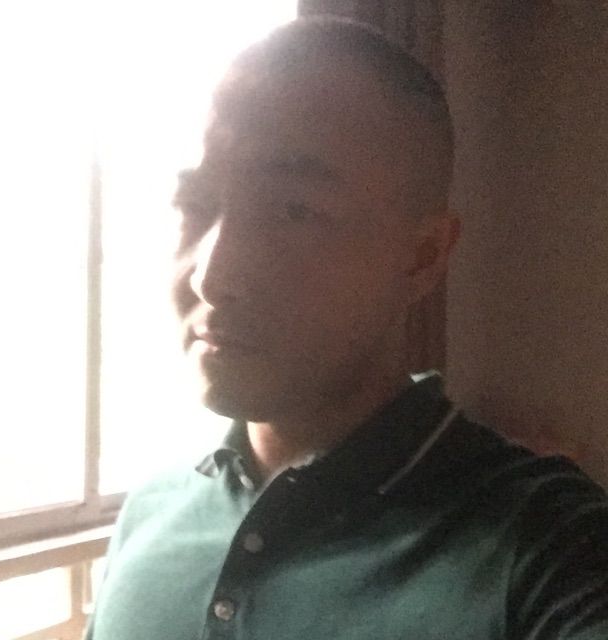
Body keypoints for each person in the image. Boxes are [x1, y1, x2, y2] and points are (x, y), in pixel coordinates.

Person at [85, 17, 608, 639]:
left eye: (293, 211)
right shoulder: (149, 516)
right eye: (194, 206)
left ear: (422, 257)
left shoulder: (549, 548)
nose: (212, 276)